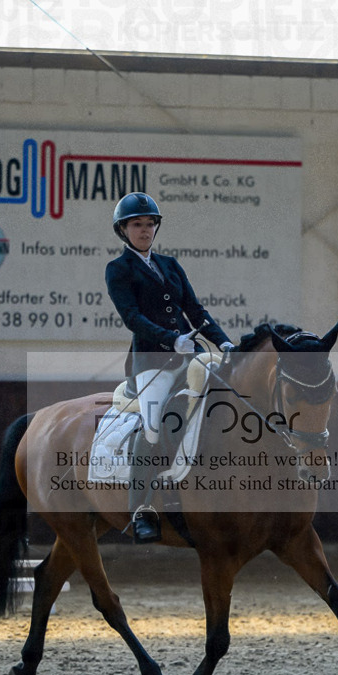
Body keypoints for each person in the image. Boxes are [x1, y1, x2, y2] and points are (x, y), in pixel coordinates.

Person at [106, 192, 234, 543]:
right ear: (124, 230)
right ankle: (142, 511)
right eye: (137, 225)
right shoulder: (118, 270)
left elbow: (195, 309)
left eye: (149, 224)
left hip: (188, 357)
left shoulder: (171, 264)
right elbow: (132, 318)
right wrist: (170, 339)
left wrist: (223, 342)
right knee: (151, 426)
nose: (145, 230)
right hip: (152, 363)